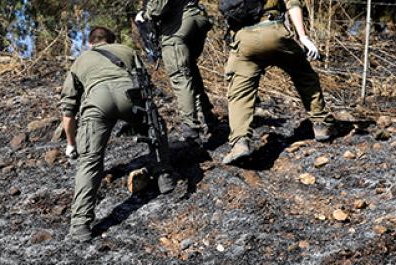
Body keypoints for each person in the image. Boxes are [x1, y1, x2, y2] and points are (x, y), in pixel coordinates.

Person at [60, 26, 176, 242]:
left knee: (90, 162)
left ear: (90, 43)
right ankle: (165, 177)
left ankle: (80, 226)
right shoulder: (126, 50)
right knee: (155, 127)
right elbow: (145, 83)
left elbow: (68, 110)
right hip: (128, 96)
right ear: (112, 40)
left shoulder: (81, 60)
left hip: (97, 102)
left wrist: (71, 144)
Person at [221, 0, 336, 165]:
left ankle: (240, 142)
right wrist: (303, 36)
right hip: (273, 32)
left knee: (240, 92)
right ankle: (321, 124)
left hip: (244, 38)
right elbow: (293, 3)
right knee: (305, 76)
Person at [135, 0, 218, 143]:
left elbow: (156, 9)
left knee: (180, 75)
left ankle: (190, 129)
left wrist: (144, 15)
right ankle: (208, 117)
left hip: (178, 26)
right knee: (189, 68)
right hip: (197, 18)